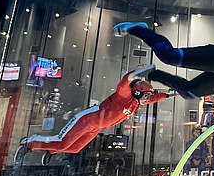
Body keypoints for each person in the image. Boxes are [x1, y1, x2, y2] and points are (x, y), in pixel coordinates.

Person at [14, 70, 167, 163]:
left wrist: (168, 94)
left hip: (96, 128)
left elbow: (155, 98)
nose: (148, 99)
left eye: (148, 96)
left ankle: (52, 150)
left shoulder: (137, 102)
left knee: (74, 149)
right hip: (88, 119)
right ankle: (28, 143)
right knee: (62, 142)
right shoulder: (123, 95)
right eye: (146, 95)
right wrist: (133, 74)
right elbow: (124, 83)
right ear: (138, 92)